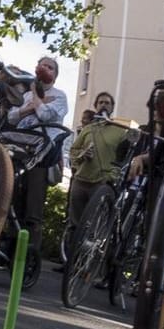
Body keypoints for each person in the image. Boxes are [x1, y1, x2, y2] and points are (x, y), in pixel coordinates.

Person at [3, 55, 68, 283]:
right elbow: (12, 117)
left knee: (33, 210)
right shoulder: (27, 95)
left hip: (40, 155)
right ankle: (10, 254)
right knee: (13, 204)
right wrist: (28, 107)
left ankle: (29, 259)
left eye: (49, 67)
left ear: (55, 74)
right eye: (42, 65)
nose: (44, 69)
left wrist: (37, 104)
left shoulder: (60, 96)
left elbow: (48, 115)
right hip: (19, 150)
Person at [62, 92, 132, 264]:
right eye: (100, 102)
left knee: (95, 226)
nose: (103, 105)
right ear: (95, 106)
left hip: (102, 182)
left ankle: (88, 266)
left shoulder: (121, 130)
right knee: (74, 224)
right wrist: (82, 156)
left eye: (107, 103)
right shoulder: (88, 129)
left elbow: (126, 157)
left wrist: (114, 176)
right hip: (81, 180)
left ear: (112, 107)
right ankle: (70, 263)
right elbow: (73, 152)